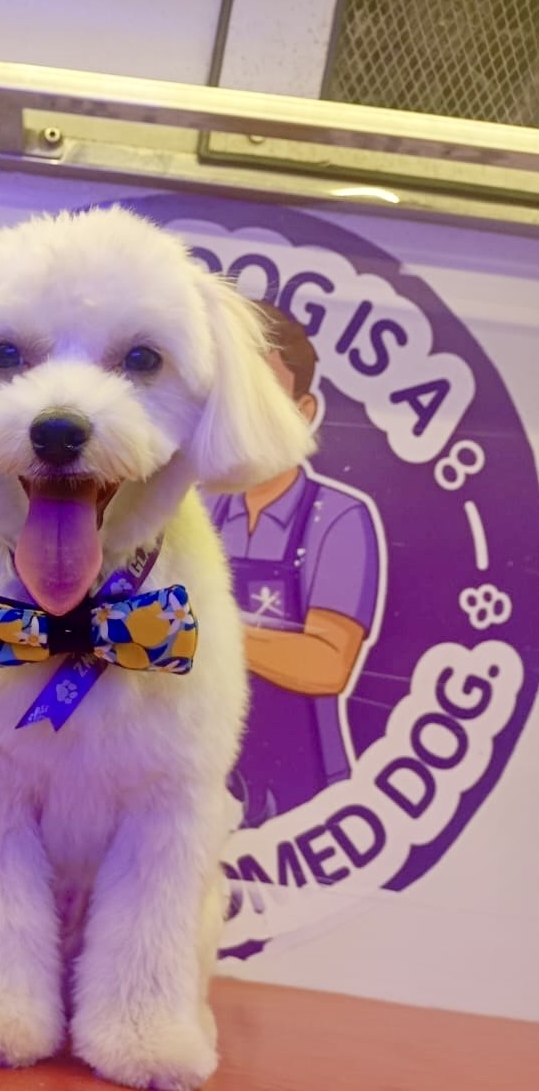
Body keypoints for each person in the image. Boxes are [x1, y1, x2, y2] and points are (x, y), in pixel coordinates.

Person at [210, 302, 383, 828]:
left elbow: (327, 664)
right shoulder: (191, 509)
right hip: (198, 769)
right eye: (235, 394)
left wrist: (201, 633)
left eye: (266, 397)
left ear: (304, 410)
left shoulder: (339, 519)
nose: (246, 414)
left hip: (303, 793)